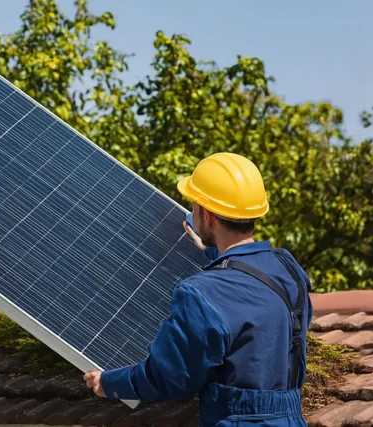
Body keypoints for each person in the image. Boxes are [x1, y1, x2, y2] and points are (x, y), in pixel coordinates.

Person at [82, 152, 313, 426]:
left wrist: (108, 382)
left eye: (194, 206)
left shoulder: (200, 293)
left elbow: (171, 376)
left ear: (206, 215)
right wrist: (215, 250)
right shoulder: (288, 268)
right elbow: (251, 298)